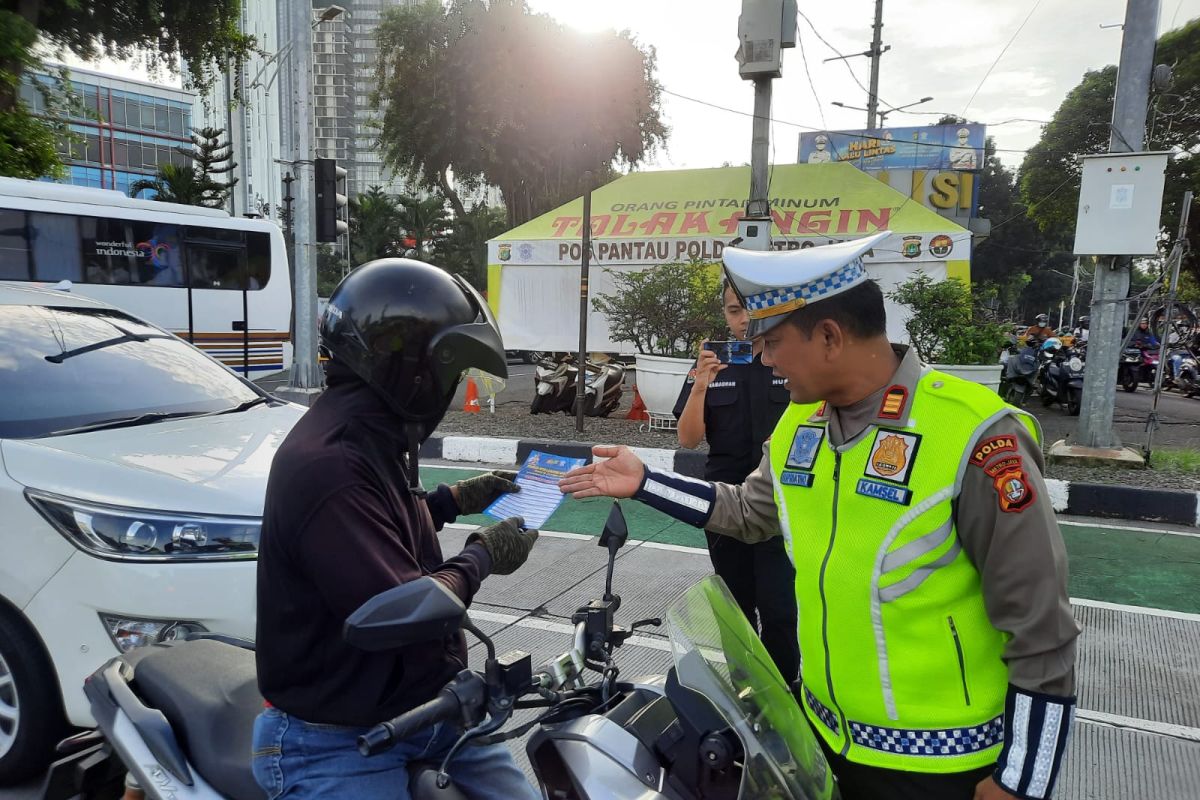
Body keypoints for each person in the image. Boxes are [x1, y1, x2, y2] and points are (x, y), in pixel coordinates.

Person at [560, 232, 1078, 800]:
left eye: (774, 340)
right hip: (820, 747)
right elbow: (748, 512)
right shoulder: (799, 425)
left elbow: (1041, 628)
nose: (763, 357)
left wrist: (1020, 784)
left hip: (941, 767)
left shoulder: (976, 435)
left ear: (830, 336)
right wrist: (645, 482)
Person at [252, 259, 541, 800]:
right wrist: (483, 555)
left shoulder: (370, 436)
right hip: (338, 739)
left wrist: (454, 500)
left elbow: (374, 532)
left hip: (434, 710)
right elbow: (403, 607)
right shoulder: (329, 464)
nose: (451, 389)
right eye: (449, 374)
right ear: (410, 371)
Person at [672, 281, 799, 684]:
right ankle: (745, 693)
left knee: (780, 608)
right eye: (732, 310)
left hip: (780, 500)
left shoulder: (791, 360)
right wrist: (701, 383)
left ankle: (784, 693)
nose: (742, 319)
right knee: (736, 608)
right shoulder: (712, 362)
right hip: (724, 503)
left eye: (749, 309)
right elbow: (688, 439)